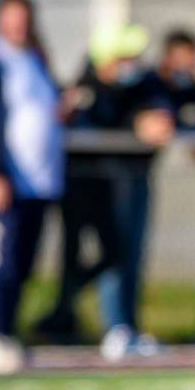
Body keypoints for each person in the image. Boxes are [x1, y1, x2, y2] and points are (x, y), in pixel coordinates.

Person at [40, 21, 174, 359]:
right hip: (91, 190)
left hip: (131, 181)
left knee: (129, 256)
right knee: (106, 255)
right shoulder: (86, 90)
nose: (133, 62)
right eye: (125, 56)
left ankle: (124, 325)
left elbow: (158, 107)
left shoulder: (144, 84)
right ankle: (107, 325)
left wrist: (157, 118)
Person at [0, 0, 65, 376]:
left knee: (23, 264)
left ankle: (8, 333)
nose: (19, 26)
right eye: (12, 19)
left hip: (39, 183)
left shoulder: (37, 61)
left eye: (24, 19)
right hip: (6, 181)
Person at [157, 29, 195, 131]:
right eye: (183, 57)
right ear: (168, 58)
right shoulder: (151, 88)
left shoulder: (192, 88)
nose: (189, 63)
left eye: (192, 57)